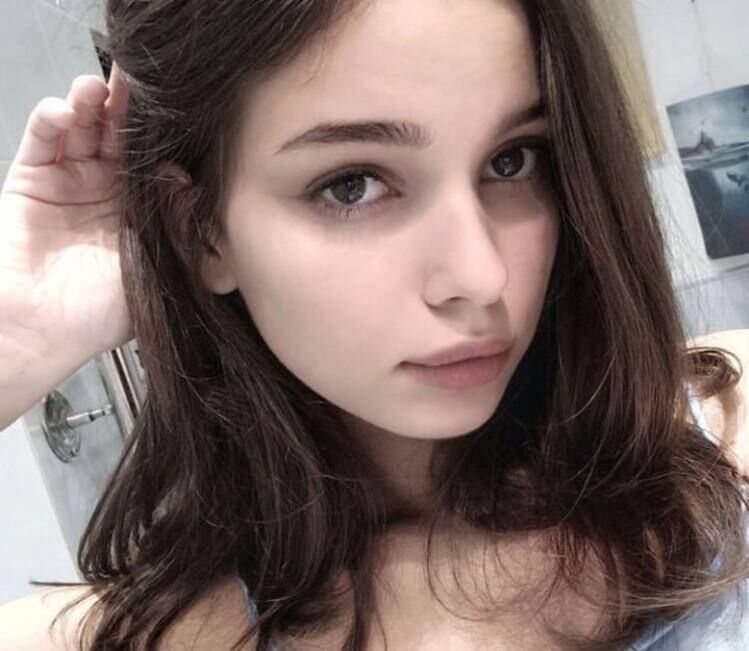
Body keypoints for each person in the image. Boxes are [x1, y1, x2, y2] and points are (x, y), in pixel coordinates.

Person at [0, 0, 748, 649]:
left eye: (513, 160)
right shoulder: (155, 631)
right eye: (352, 185)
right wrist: (17, 339)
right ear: (200, 229)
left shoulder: (727, 438)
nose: (481, 275)